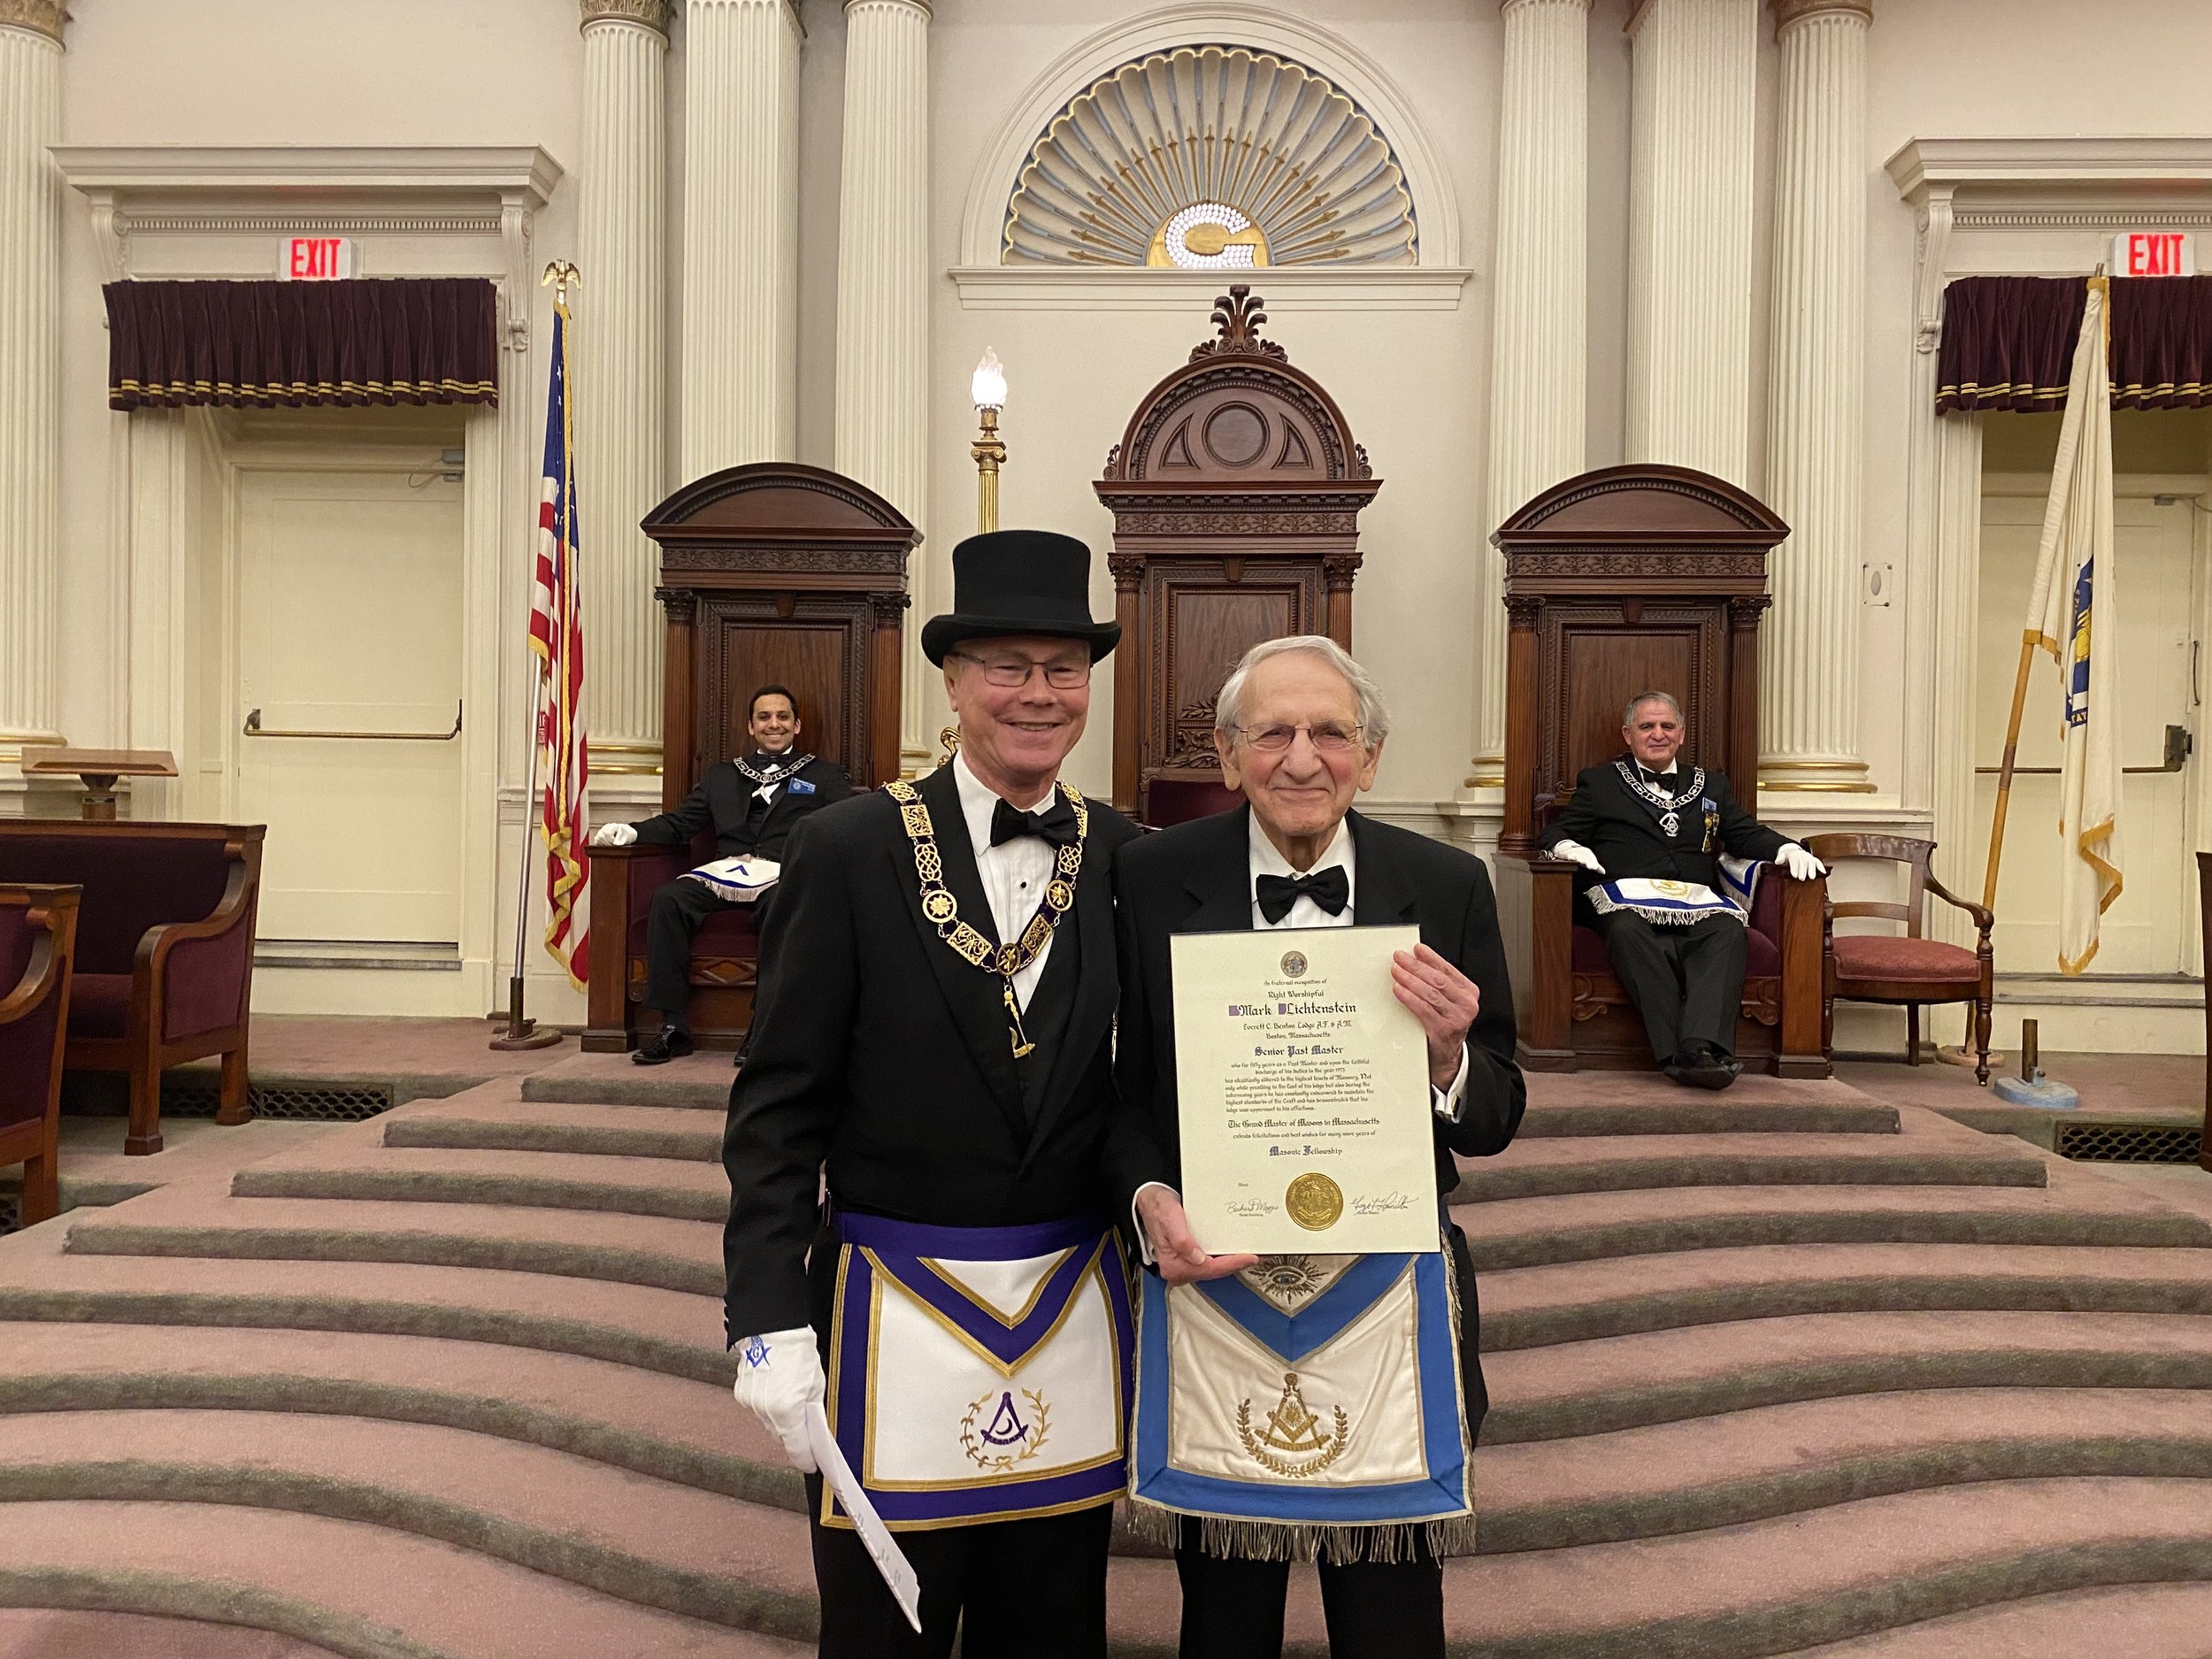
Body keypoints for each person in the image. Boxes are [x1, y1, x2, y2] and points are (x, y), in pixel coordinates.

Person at [721, 530, 1141, 1659]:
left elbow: (1150, 1090)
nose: (1038, 693)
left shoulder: (1126, 858)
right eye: (1007, 666)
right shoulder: (844, 848)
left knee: (1052, 1634)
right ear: (952, 682)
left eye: (1064, 669)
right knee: (883, 1635)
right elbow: (777, 1106)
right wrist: (765, 1312)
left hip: (1066, 1311)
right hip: (887, 1314)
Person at [1105, 635, 1525, 1659]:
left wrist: (1446, 1060)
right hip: (1215, 1284)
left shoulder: (1446, 882)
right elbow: (1116, 1095)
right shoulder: (1149, 878)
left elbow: (1497, 1112)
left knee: (1392, 1622)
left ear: (1369, 757)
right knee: (1223, 1621)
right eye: (1272, 733)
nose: (1301, 759)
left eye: (1330, 733)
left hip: (1388, 1299)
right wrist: (1146, 1194)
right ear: (1226, 755)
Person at [1540, 690, 1825, 1089]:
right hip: (1624, 903)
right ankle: (1689, 1053)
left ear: (1681, 733)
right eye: (1647, 726)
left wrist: (1786, 849)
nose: (1658, 734)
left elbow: (1745, 834)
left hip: (1695, 902)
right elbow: (1556, 831)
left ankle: (1696, 1048)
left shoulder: (1711, 785)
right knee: (1626, 930)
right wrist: (1568, 846)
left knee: (1729, 931)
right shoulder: (1601, 782)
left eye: (1667, 726)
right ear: (1628, 734)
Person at [588, 685, 849, 1064]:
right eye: (764, 717)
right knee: (668, 899)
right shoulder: (722, 777)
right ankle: (673, 1027)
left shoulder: (824, 776)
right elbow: (681, 823)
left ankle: (763, 1028)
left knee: (785, 903)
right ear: (751, 726)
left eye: (782, 717)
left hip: (783, 874)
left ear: (796, 725)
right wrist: (632, 831)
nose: (773, 724)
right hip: (725, 871)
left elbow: (845, 822)